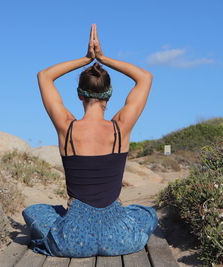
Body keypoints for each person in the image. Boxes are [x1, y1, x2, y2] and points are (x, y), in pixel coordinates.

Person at [22, 24, 158, 257]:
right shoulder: (120, 129)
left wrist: (86, 59)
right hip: (119, 238)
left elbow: (44, 76)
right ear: (109, 94)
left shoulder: (67, 127)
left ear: (79, 95)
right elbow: (144, 77)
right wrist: (103, 58)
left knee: (34, 211)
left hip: (72, 240)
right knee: (147, 214)